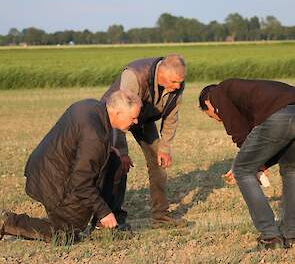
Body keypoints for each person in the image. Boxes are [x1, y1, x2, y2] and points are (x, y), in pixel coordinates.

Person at [0, 90, 141, 243]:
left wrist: (106, 150)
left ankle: (102, 228)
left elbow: (77, 142)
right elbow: (81, 184)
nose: (136, 122)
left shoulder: (91, 106)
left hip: (49, 166)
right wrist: (104, 211)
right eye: (133, 117)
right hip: (51, 181)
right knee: (66, 235)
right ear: (118, 113)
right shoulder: (95, 138)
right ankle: (8, 222)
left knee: (115, 161)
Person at [199, 78, 295, 249]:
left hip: (279, 116)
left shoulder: (218, 93)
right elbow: (271, 139)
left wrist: (249, 163)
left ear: (208, 103)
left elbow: (239, 132)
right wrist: (260, 162)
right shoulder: (246, 92)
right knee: (291, 170)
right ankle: (292, 234)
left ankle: (270, 236)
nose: (218, 119)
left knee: (242, 171)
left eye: (212, 115)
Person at [101, 54, 187, 227]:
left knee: (159, 163)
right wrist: (122, 152)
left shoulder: (177, 85)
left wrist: (164, 147)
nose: (178, 86)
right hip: (114, 120)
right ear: (162, 74)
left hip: (143, 120)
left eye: (180, 82)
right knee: (116, 164)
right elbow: (122, 114)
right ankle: (109, 219)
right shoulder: (134, 75)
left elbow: (171, 117)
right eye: (174, 82)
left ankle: (161, 217)